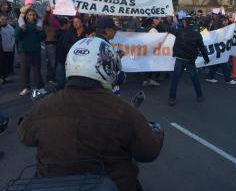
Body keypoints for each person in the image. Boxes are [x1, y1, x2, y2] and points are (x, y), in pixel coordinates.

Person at [17, 37, 163, 191]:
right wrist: (157, 132)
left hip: (53, 184)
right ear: (107, 67)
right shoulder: (123, 110)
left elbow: (25, 137)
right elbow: (148, 152)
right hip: (113, 184)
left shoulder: (43, 106)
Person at [167, 16, 210, 106]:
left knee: (175, 80)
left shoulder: (179, 31)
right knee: (195, 79)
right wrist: (206, 59)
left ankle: (172, 99)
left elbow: (169, 29)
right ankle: (200, 96)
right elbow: (202, 48)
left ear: (185, 23)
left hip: (179, 59)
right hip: (190, 60)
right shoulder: (197, 34)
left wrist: (173, 22)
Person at [15, 8, 47, 96]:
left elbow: (43, 37)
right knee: (24, 70)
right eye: (30, 15)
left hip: (36, 51)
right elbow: (17, 37)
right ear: (26, 16)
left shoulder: (38, 24)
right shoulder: (22, 23)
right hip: (24, 51)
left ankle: (40, 87)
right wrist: (21, 29)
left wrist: (40, 30)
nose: (32, 17)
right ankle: (25, 88)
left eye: (33, 15)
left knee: (37, 70)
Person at [43, 7, 60, 84]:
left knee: (51, 62)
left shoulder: (56, 19)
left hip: (54, 41)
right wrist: (47, 11)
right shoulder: (47, 20)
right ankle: (53, 78)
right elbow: (44, 18)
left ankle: (50, 78)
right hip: (50, 42)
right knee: (53, 62)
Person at [0, 15, 15, 84]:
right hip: (1, 50)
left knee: (7, 64)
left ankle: (4, 78)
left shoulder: (10, 28)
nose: (4, 20)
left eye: (5, 19)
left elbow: (13, 37)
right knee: (1, 64)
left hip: (8, 48)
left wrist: (11, 46)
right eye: (2, 19)